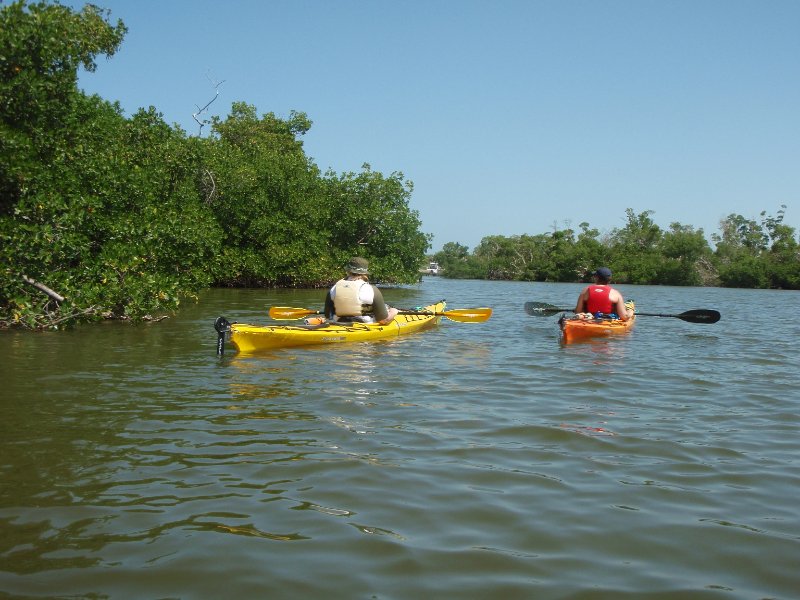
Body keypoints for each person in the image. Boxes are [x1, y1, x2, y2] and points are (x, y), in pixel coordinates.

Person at [324, 257, 399, 325]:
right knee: (391, 311)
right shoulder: (371, 289)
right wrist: (394, 311)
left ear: (348, 271)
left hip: (339, 324)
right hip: (364, 327)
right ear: (365, 273)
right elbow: (383, 320)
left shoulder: (334, 288)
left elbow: (327, 316)